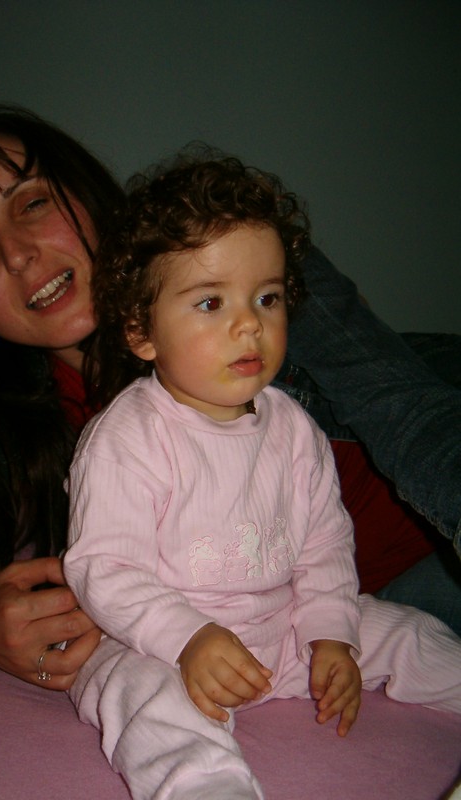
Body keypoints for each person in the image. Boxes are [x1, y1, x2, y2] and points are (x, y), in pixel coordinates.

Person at [0, 105, 461, 691]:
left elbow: (409, 412)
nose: (16, 253)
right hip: (330, 624)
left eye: (31, 204)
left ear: (85, 195)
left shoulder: (235, 255)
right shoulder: (3, 422)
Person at [63, 155, 461, 799]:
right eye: (211, 302)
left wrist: (330, 634)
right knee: (141, 695)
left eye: (267, 298)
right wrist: (187, 637)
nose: (249, 323)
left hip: (284, 630)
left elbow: (325, 544)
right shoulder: (126, 437)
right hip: (163, 644)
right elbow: (103, 568)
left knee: (407, 632)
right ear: (141, 331)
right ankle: (208, 788)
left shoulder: (293, 427)